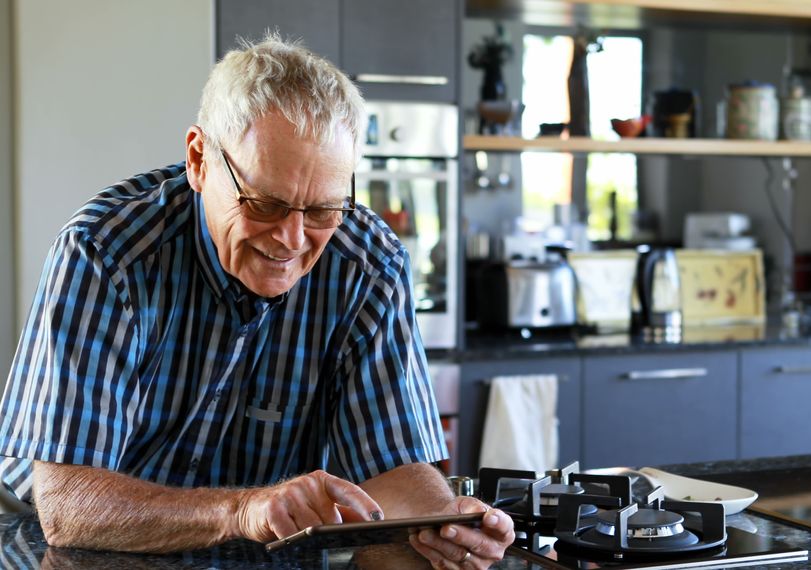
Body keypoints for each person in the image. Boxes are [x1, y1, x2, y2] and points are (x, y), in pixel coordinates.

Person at [0, 35, 514, 568]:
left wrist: (442, 524)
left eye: (321, 210)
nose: (292, 240)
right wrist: (242, 510)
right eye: (265, 204)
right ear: (199, 160)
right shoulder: (107, 253)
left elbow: (393, 465)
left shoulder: (369, 265)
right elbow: (67, 507)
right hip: (72, 550)